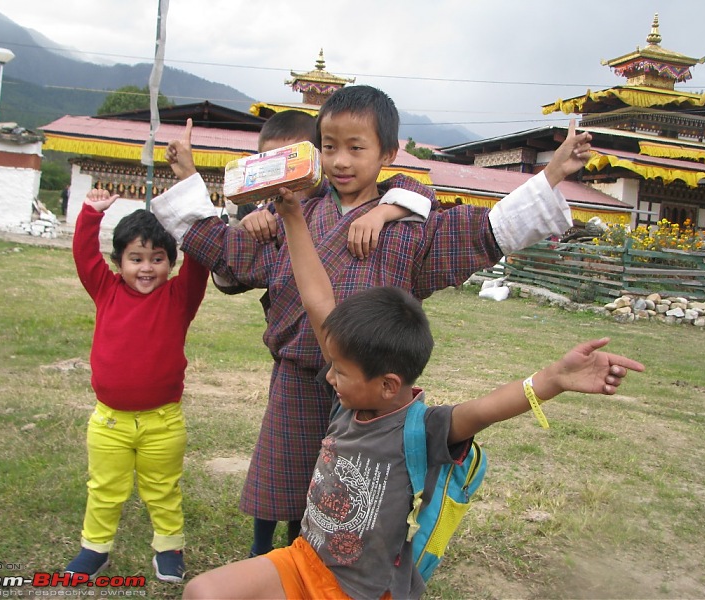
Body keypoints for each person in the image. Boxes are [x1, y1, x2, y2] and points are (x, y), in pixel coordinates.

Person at [152, 84, 589, 563]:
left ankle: (330, 563)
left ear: (388, 153)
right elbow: (230, 252)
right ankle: (275, 557)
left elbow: (482, 231)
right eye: (329, 146)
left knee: (350, 494)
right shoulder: (294, 210)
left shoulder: (408, 225)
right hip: (298, 377)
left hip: (373, 393)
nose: (341, 161)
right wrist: (191, 178)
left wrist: (550, 173)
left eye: (356, 148)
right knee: (288, 475)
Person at [181, 182, 646, 600]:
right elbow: (318, 298)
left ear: (388, 386)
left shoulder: (420, 429)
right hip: (303, 560)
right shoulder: (353, 393)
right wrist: (294, 218)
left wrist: (554, 379)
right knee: (203, 591)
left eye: (339, 372)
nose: (329, 377)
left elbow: (487, 409)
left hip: (357, 592)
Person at [163, 109, 435, 557]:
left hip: (362, 375)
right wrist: (205, 185)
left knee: (335, 476)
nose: (341, 161)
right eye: (267, 165)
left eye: (289, 162)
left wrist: (385, 211)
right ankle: (262, 551)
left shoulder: (388, 203)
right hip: (296, 366)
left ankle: (313, 550)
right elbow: (234, 264)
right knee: (282, 467)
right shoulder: (277, 213)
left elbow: (419, 190)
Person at [66, 188, 209, 583]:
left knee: (162, 489)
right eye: (136, 259)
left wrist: (195, 212)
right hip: (109, 423)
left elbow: (199, 262)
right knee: (105, 489)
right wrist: (90, 215)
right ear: (118, 263)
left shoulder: (180, 297)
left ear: (171, 262)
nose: (147, 268)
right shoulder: (106, 290)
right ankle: (94, 548)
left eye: (157, 259)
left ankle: (169, 548)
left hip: (163, 423)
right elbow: (83, 255)